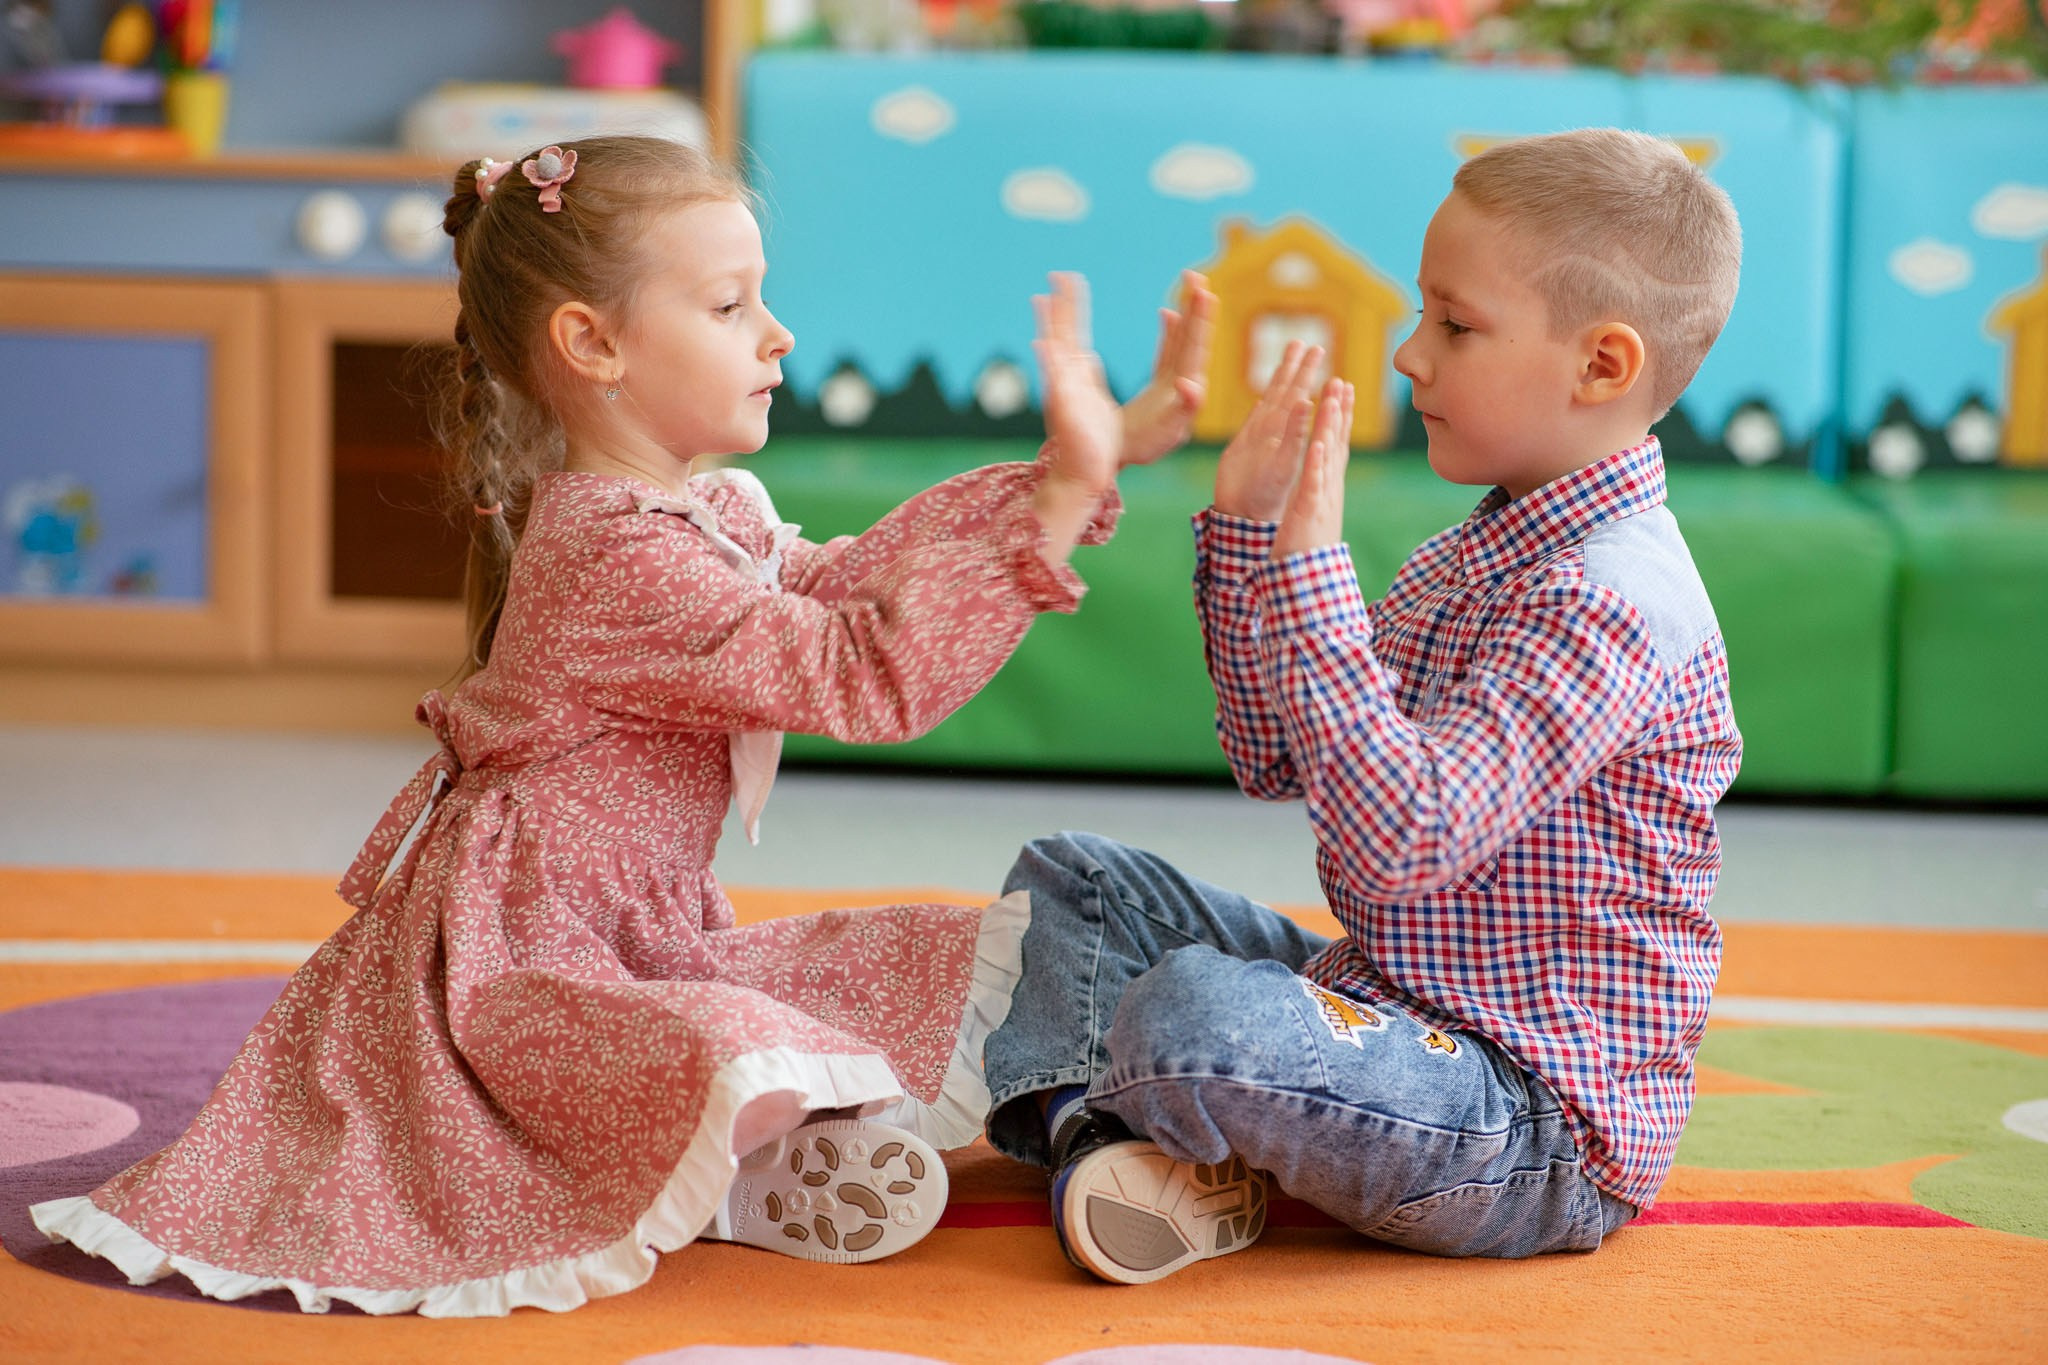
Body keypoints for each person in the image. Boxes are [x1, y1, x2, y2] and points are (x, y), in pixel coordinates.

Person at [31, 135, 1214, 1315]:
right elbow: (867, 674)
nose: (777, 333)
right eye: (728, 304)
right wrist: (1055, 503)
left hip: (632, 937)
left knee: (896, 966)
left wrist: (1070, 468)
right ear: (592, 344)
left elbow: (848, 584)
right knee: (727, 1037)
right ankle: (742, 1185)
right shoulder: (613, 554)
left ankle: (757, 1161)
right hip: (523, 978)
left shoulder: (689, 511)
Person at [980, 127, 1745, 1283]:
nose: (1404, 355)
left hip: (1526, 1123)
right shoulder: (1472, 551)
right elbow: (1275, 756)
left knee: (1195, 1013)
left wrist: (1305, 572)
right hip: (1385, 1005)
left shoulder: (1613, 600)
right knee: (1073, 878)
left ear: (1599, 366)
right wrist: (1244, 535)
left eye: (1452, 323)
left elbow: (1399, 843)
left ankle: (1114, 1126)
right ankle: (1113, 1143)